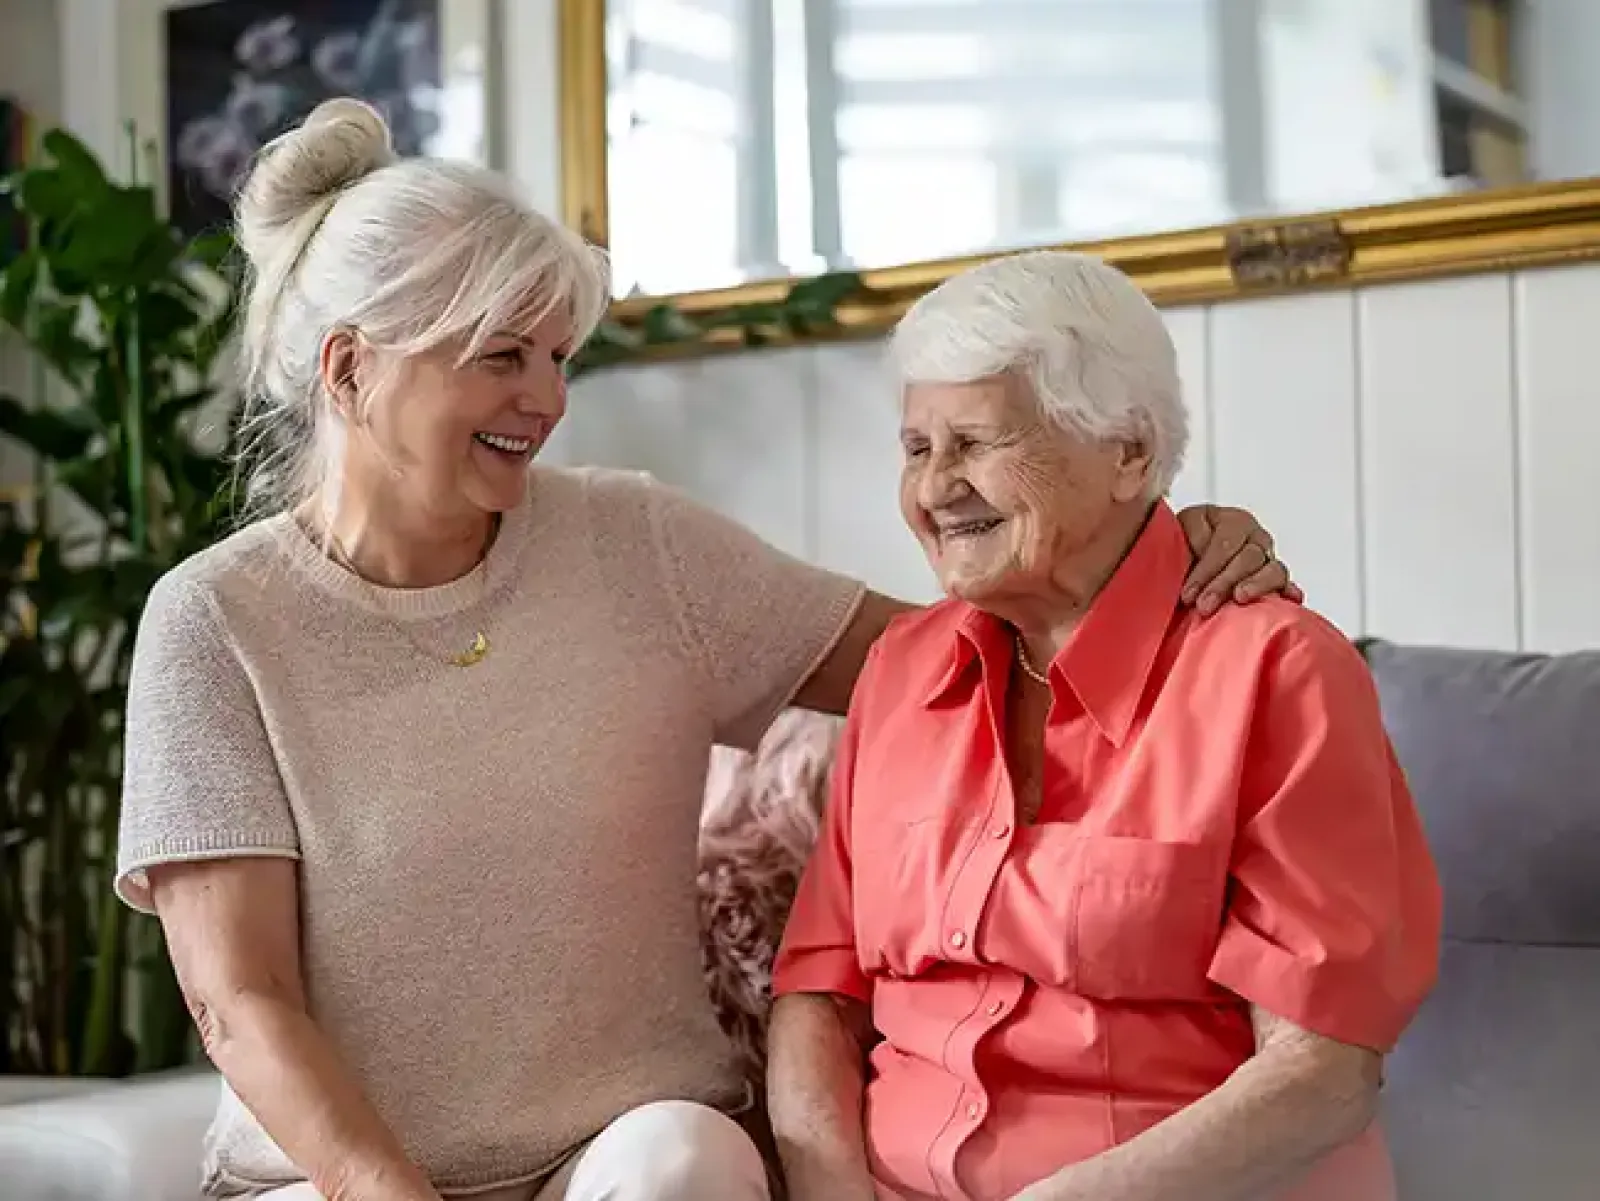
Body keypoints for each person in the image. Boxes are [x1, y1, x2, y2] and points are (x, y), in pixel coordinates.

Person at [114, 100, 1299, 1201]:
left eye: (558, 356)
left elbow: (955, 656)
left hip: (624, 1152)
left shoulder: (637, 544)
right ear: (351, 367)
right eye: (501, 356)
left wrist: (1165, 553)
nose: (547, 398)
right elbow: (240, 999)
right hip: (335, 1184)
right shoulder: (215, 621)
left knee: (682, 1157)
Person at [766, 250, 1443, 1201]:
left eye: (978, 442)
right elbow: (820, 991)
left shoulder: (1275, 670)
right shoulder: (902, 667)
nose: (935, 487)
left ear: (1128, 451)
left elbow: (1322, 1075)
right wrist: (829, 1186)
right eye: (918, 448)